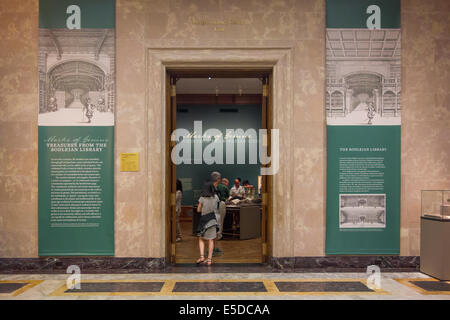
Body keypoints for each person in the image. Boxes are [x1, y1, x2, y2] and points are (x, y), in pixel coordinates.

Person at [195, 182, 219, 266]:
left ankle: (202, 257)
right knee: (211, 239)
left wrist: (203, 209)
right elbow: (216, 207)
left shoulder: (202, 198)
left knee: (201, 238)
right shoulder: (216, 197)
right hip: (212, 219)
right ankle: (209, 260)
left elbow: (198, 210)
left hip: (204, 220)